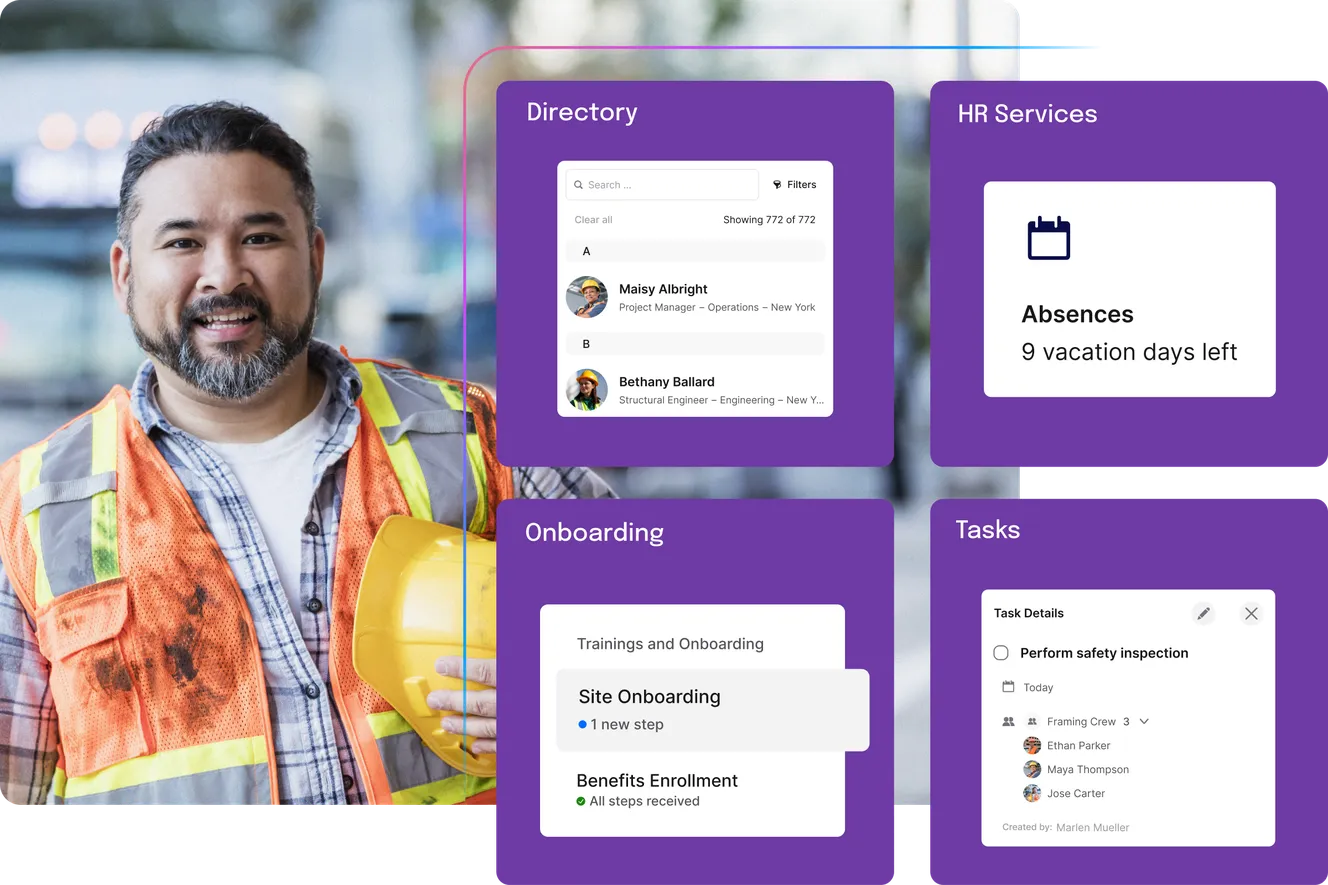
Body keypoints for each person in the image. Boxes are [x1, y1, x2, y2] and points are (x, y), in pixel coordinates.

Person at [0, 101, 615, 808]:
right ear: (124, 275)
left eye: (260, 237)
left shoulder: (484, 439)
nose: (224, 275)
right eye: (183, 242)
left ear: (316, 259)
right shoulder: (31, 512)